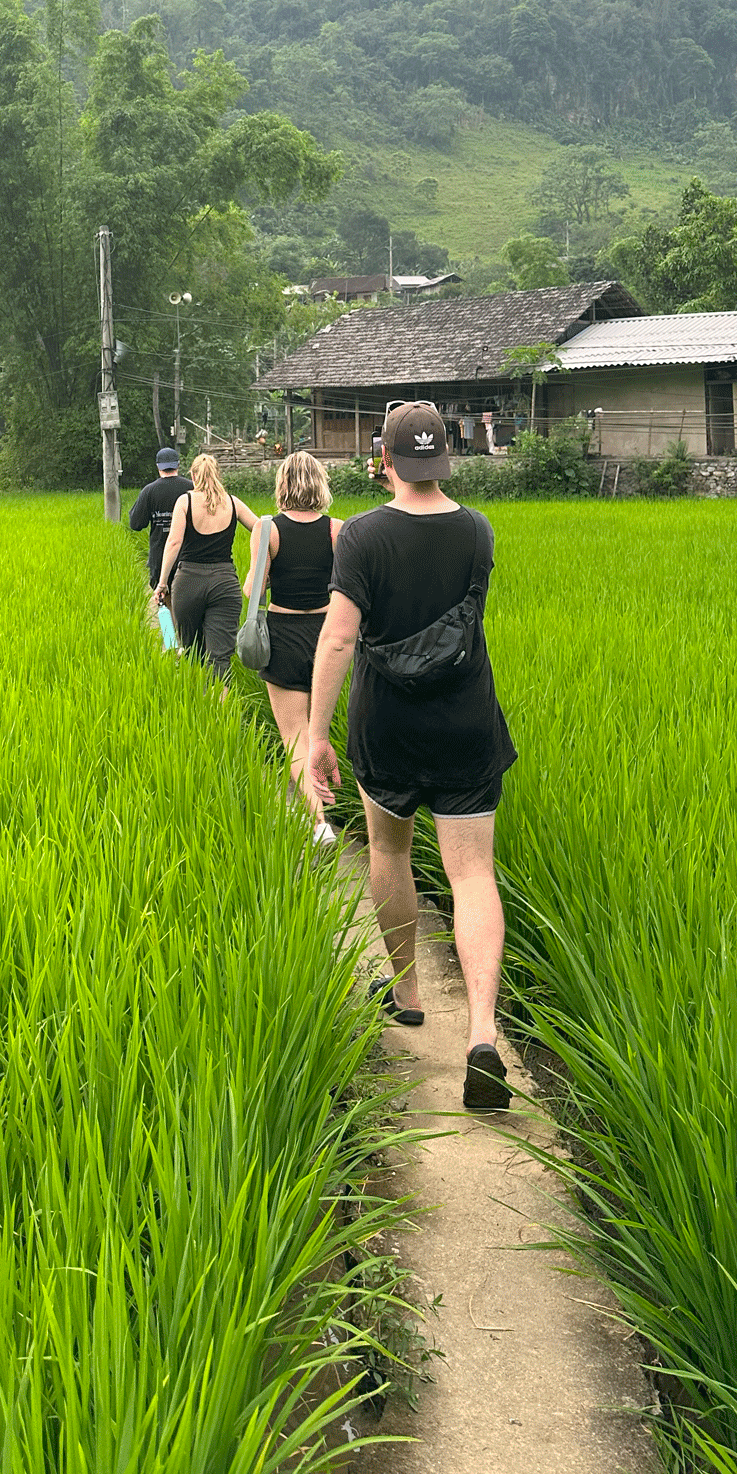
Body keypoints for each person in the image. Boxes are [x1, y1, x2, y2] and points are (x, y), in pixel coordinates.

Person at [305, 402, 517, 1111]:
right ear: (446, 457)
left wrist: (315, 734)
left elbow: (337, 639)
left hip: (387, 723)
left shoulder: (362, 536)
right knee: (472, 872)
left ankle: (407, 994)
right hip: (465, 722)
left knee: (389, 854)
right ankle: (483, 1032)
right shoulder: (477, 529)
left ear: (385, 460)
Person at [247, 451, 341, 851]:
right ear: (319, 484)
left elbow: (253, 589)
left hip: (283, 633)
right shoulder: (338, 529)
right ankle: (317, 812)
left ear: (283, 484)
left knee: (294, 735)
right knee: (319, 731)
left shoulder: (268, 528)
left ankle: (319, 824)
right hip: (326, 636)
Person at [151, 453, 260, 683]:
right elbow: (261, 529)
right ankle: (221, 712)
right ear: (218, 475)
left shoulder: (185, 501)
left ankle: (198, 707)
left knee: (192, 653)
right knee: (220, 659)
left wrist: (162, 583)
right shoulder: (233, 502)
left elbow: (173, 543)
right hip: (225, 585)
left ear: (193, 476)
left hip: (188, 583)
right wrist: (258, 567)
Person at [128, 446, 194, 593]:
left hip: (160, 557)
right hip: (190, 557)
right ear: (178, 465)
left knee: (165, 601)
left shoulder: (149, 490)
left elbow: (136, 524)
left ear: (158, 467)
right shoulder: (192, 488)